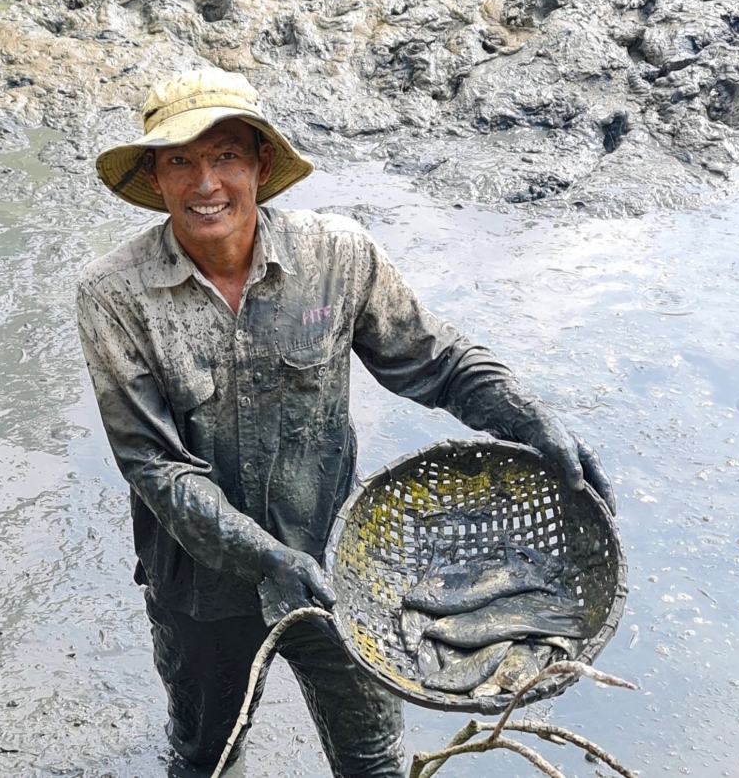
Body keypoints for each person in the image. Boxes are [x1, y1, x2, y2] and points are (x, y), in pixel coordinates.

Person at [75, 67, 616, 777]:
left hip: (340, 569)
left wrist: (530, 421)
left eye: (225, 156)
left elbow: (438, 360)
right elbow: (156, 467)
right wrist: (265, 556)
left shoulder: (336, 256)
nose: (205, 182)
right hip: (199, 587)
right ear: (156, 174)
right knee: (206, 754)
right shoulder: (114, 296)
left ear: (261, 164)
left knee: (372, 761)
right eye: (181, 160)